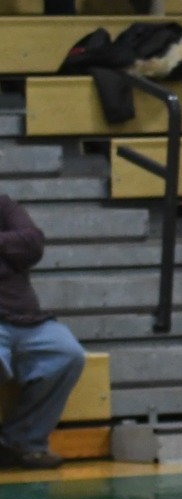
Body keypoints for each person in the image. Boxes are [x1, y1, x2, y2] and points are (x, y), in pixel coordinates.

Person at [0, 194, 84, 470]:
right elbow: (20, 248)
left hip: (27, 319)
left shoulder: (3, 205)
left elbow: (32, 244)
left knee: (67, 352)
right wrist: (9, 254)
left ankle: (23, 441)